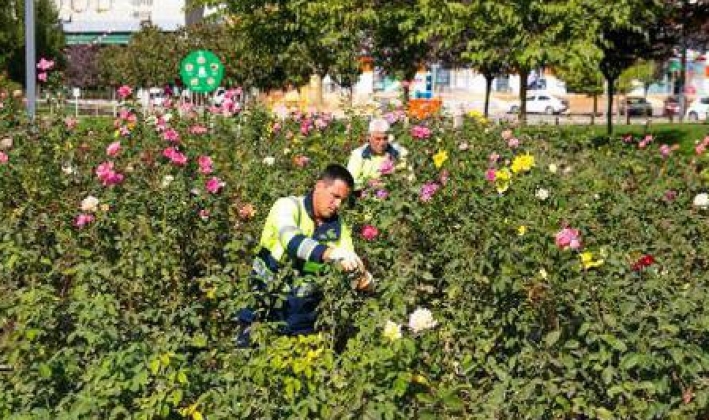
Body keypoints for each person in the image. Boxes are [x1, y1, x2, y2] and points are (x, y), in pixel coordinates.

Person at [236, 164, 373, 346]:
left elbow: (350, 259)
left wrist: (363, 277)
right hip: (263, 304)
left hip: (303, 318)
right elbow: (291, 240)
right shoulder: (287, 206)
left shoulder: (338, 226)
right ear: (319, 186)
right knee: (247, 359)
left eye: (343, 200)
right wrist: (331, 253)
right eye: (335, 196)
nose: (338, 205)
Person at [347, 118, 408, 192]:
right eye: (378, 139)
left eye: (385, 138)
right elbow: (348, 182)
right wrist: (367, 184)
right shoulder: (359, 155)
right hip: (366, 196)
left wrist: (395, 180)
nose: (382, 143)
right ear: (368, 138)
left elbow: (410, 178)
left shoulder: (399, 152)